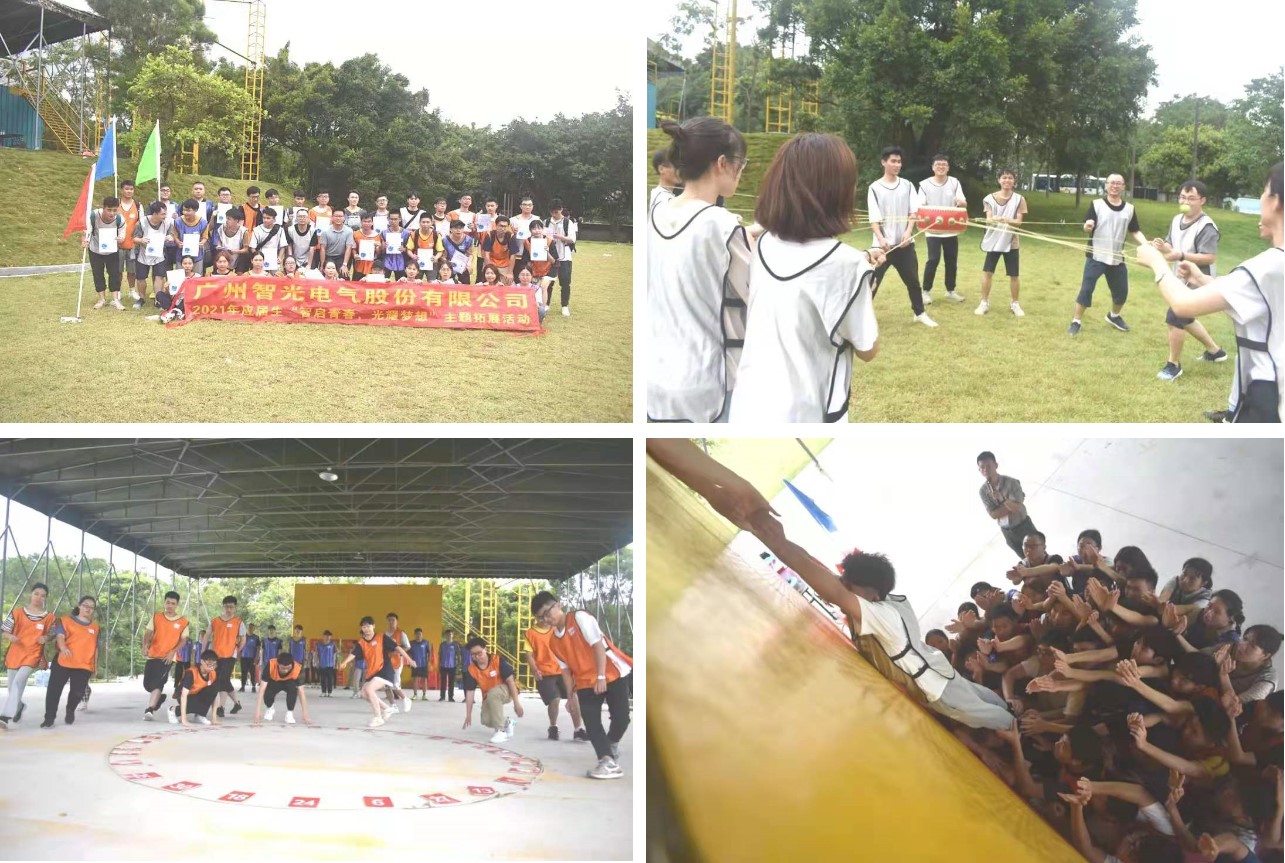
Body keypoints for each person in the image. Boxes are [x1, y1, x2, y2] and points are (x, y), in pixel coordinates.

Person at [751, 516, 1015, 731]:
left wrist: (779, 545)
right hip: (936, 666)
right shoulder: (880, 597)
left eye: (847, 586)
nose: (841, 587)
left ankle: (1016, 727)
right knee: (977, 695)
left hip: (937, 687)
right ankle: (1011, 708)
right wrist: (778, 539)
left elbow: (834, 592)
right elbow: (817, 568)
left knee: (982, 714)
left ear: (871, 594)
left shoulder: (880, 615)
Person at [729, 132, 882, 423]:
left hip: (748, 404)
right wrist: (865, 285)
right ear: (837, 191)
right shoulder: (849, 265)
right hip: (807, 416)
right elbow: (868, 348)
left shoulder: (764, 244)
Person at [1138, 162, 1283, 422]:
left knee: (1177, 316)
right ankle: (1217, 360)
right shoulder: (1269, 268)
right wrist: (1202, 277)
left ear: (1275, 201)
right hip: (1263, 386)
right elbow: (1249, 295)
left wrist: (1156, 262)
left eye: (1264, 191)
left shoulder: (1268, 267)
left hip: (1270, 395)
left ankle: (1181, 363)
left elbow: (1183, 304)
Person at [647, 116, 750, 422]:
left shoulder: (656, 214)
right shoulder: (722, 225)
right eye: (741, 163)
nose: (741, 171)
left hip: (655, 380)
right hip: (707, 385)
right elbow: (759, 296)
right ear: (722, 163)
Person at [531, 591, 632, 779]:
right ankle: (606, 761)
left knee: (622, 718)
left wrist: (601, 676)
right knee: (592, 722)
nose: (546, 619)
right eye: (541, 617)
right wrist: (571, 696)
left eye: (547, 613)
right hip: (585, 681)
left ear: (558, 605)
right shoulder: (554, 642)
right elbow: (566, 671)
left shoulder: (579, 618)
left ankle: (611, 744)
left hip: (612, 672)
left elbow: (598, 646)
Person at [1149, 179, 1226, 381]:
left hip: (1199, 279)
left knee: (1175, 315)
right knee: (1185, 318)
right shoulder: (1177, 219)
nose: (1185, 202)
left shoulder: (1207, 226)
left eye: (1191, 198)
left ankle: (1173, 365)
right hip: (1179, 277)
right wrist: (1161, 246)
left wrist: (1181, 255)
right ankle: (1215, 351)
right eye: (1182, 197)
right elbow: (1170, 245)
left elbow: (1210, 257)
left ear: (1202, 200)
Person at [1069, 173, 1148, 336]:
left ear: (1123, 187)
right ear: (1106, 185)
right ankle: (1076, 321)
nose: (1115, 186)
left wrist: (1146, 244)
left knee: (1122, 291)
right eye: (1112, 183)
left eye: (1118, 183)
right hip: (1096, 256)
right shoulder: (1096, 204)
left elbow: (1135, 230)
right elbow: (1087, 224)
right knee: (1086, 290)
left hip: (1117, 258)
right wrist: (1088, 226)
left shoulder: (1129, 209)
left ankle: (1114, 316)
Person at [868, 146, 936, 328]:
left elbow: (913, 212)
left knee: (913, 281)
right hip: (881, 247)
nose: (897, 165)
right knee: (872, 282)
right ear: (884, 162)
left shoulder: (907, 185)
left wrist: (908, 233)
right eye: (893, 161)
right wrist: (881, 239)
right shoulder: (874, 188)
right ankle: (862, 317)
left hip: (905, 245)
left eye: (899, 162)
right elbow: (874, 219)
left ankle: (919, 313)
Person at [336, 616, 416, 727]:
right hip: (372, 672)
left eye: (368, 626)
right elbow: (353, 654)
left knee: (369, 689)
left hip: (384, 670)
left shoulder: (381, 637)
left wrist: (410, 660)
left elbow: (397, 648)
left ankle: (378, 717)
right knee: (364, 693)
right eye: (364, 627)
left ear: (373, 626)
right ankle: (387, 708)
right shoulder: (361, 643)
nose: (366, 629)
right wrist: (345, 662)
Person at [974, 168, 1027, 317]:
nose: (1007, 180)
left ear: (1014, 181)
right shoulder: (989, 199)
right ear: (999, 180)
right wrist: (994, 219)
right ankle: (984, 302)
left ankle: (1015, 303)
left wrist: (1007, 220)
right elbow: (989, 219)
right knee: (988, 272)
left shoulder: (1019, 199)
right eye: (1004, 177)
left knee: (1014, 275)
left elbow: (1018, 222)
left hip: (1012, 242)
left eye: (1010, 178)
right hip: (994, 241)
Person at [42, 595, 101, 728]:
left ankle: (70, 709)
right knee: (54, 691)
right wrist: (63, 647)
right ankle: (49, 718)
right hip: (63, 661)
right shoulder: (65, 621)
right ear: (79, 606)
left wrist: (94, 667)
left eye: (91, 607)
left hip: (84, 665)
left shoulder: (95, 628)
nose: (88, 609)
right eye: (85, 605)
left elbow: (96, 648)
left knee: (78, 693)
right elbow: (60, 636)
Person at [1, 582, 54, 730]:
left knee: (18, 682)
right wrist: (10, 636)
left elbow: (52, 633)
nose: (39, 597)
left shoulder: (49, 617)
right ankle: (19, 706)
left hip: (33, 654)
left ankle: (5, 716)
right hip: (15, 653)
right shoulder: (17, 612)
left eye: (43, 595)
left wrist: (46, 638)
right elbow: (5, 630)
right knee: (12, 688)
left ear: (45, 598)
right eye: (36, 594)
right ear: (31, 594)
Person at [524, 617, 588, 741]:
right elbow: (529, 655)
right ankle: (553, 727)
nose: (543, 619)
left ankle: (578, 730)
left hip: (563, 669)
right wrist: (535, 669)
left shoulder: (556, 629)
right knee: (555, 700)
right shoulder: (530, 633)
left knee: (573, 696)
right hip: (545, 672)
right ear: (536, 616)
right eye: (540, 616)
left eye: (545, 615)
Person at [919, 153, 968, 304]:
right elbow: (920, 206)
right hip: (932, 230)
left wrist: (961, 202)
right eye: (938, 164)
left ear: (948, 167)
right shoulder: (924, 184)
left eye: (944, 165)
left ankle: (950, 290)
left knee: (951, 261)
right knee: (933, 259)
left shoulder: (954, 182)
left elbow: (963, 202)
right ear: (933, 167)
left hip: (950, 229)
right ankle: (926, 291)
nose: (941, 167)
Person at [462, 637, 524, 744]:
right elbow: (470, 693)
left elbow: (511, 681)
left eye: (479, 653)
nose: (477, 657)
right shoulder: (471, 670)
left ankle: (501, 731)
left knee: (493, 694)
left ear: (485, 649)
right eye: (473, 655)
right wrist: (468, 714)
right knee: (485, 720)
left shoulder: (497, 660)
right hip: (489, 695)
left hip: (507, 691)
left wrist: (516, 703)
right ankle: (508, 723)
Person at [977, 451, 1038, 557]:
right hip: (1007, 532)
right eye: (982, 467)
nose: (985, 470)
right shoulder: (983, 491)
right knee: (1026, 561)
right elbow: (993, 515)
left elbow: (1017, 508)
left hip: (1024, 526)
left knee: (1039, 556)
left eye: (988, 466)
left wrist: (1003, 500)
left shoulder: (1012, 482)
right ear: (979, 470)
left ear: (996, 465)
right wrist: (1012, 504)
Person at [141, 590, 188, 721]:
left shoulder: (183, 621)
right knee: (147, 685)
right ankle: (159, 699)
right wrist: (145, 645)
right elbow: (148, 632)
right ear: (164, 603)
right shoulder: (156, 617)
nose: (170, 606)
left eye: (173, 603)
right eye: (168, 602)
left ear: (177, 605)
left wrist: (173, 652)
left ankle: (150, 709)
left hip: (168, 658)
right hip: (153, 655)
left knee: (158, 683)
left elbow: (183, 640)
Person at [83, 196, 127, 310]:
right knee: (98, 274)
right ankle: (101, 299)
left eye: (115, 210)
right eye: (109, 210)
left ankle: (115, 299)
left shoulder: (120, 219)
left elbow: (122, 235)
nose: (112, 213)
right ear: (103, 208)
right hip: (95, 250)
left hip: (112, 250)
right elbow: (87, 231)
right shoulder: (93, 216)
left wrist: (121, 239)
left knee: (114, 274)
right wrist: (85, 240)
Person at [209, 595, 246, 717]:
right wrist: (204, 651)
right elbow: (207, 635)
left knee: (222, 679)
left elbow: (243, 640)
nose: (229, 609)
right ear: (223, 607)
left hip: (230, 655)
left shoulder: (239, 622)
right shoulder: (215, 621)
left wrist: (237, 651)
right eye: (226, 607)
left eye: (231, 607)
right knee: (224, 680)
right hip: (216, 656)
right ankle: (236, 703)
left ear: (235, 608)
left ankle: (221, 707)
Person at [133, 201, 173, 309]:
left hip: (159, 255)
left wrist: (170, 237)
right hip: (143, 254)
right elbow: (135, 238)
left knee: (159, 276)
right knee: (141, 277)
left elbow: (171, 234)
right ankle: (141, 298)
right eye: (163, 214)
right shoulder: (142, 222)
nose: (165, 216)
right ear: (155, 213)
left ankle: (158, 298)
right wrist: (141, 240)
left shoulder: (168, 223)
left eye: (165, 213)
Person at [255, 651, 312, 725]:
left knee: (293, 689)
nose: (285, 670)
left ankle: (289, 713)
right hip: (274, 681)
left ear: (292, 664)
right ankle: (270, 708)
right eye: (282, 668)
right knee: (267, 694)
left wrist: (305, 716)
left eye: (288, 668)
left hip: (289, 682)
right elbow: (261, 690)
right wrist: (257, 713)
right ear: (278, 664)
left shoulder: (298, 668)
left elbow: (302, 693)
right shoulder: (271, 664)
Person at [171, 649, 220, 726]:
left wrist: (214, 718)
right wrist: (184, 720)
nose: (212, 668)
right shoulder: (191, 673)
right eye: (209, 664)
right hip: (184, 696)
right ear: (202, 662)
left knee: (213, 690)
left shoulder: (213, 673)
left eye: (214, 665)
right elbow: (183, 695)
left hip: (198, 694)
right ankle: (173, 710)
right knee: (195, 703)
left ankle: (200, 715)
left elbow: (215, 695)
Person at [547, 198, 577, 316]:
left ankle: (564, 306)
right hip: (550, 257)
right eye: (552, 212)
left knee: (565, 281)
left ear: (561, 210)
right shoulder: (546, 222)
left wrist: (559, 236)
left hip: (564, 256)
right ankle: (546, 304)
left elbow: (572, 239)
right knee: (548, 281)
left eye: (556, 212)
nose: (554, 215)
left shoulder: (567, 222)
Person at [117, 180, 142, 303]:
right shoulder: (116, 204)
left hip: (133, 244)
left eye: (131, 189)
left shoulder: (137, 205)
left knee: (132, 271)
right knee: (118, 270)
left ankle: (132, 290)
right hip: (118, 245)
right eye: (126, 189)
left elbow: (142, 223)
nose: (129, 191)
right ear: (122, 190)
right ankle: (118, 291)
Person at [171, 199, 209, 275]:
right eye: (184, 210)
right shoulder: (178, 221)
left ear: (195, 210)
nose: (185, 212)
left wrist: (202, 243)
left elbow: (205, 237)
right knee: (180, 277)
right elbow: (175, 236)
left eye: (188, 210)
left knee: (197, 277)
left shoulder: (203, 222)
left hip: (197, 255)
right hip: (181, 254)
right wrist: (178, 242)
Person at [315, 209, 355, 277]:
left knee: (344, 275)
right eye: (336, 216)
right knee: (327, 274)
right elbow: (322, 249)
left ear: (344, 218)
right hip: (328, 256)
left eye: (340, 216)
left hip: (341, 256)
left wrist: (345, 264)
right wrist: (322, 265)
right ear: (332, 217)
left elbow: (348, 248)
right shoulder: (325, 231)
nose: (338, 218)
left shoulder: (349, 231)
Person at [383, 613, 411, 711]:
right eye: (389, 620)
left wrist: (396, 652)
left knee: (395, 685)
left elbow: (407, 646)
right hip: (386, 662)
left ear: (396, 621)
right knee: (386, 685)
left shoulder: (401, 633)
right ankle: (393, 706)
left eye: (393, 620)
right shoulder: (384, 635)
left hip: (397, 662)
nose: (391, 622)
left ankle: (406, 699)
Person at [481, 216, 520, 283]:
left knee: (508, 282)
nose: (503, 228)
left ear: (508, 227)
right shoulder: (490, 235)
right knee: (488, 282)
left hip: (505, 264)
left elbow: (513, 255)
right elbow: (486, 254)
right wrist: (489, 269)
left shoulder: (511, 236)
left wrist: (510, 272)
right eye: (501, 226)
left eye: (505, 226)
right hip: (491, 262)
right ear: (496, 226)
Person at [249, 206, 286, 272]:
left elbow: (282, 246)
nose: (265, 220)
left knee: (276, 276)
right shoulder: (256, 230)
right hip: (260, 258)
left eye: (268, 218)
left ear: (274, 219)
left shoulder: (280, 230)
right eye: (264, 218)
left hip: (274, 258)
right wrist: (257, 259)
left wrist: (280, 257)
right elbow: (252, 247)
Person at [213, 209, 248, 274]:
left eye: (229, 219)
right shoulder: (222, 227)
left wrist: (235, 251)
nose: (226, 220)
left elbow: (246, 249)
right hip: (224, 257)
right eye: (226, 218)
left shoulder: (243, 231)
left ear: (236, 221)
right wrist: (219, 246)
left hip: (238, 258)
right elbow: (219, 241)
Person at [381, 211, 409, 280]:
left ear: (400, 219)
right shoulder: (383, 233)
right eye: (391, 219)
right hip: (387, 260)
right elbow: (381, 250)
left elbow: (410, 249)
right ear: (388, 219)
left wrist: (404, 249)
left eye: (395, 219)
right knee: (384, 282)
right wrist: (383, 247)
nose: (393, 221)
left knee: (401, 283)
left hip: (401, 261)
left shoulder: (406, 233)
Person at [408, 628, 432, 700]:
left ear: (422, 634)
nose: (418, 635)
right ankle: (415, 695)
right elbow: (408, 654)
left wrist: (429, 662)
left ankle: (424, 695)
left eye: (420, 634)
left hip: (424, 664)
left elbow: (429, 653)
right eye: (417, 634)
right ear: (414, 635)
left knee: (424, 680)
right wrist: (409, 662)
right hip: (414, 664)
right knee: (415, 679)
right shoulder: (411, 643)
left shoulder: (426, 642)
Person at [239, 623, 262, 692]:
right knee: (244, 672)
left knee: (252, 673)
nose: (250, 629)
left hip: (252, 658)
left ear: (254, 629)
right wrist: (239, 656)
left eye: (252, 628)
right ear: (247, 628)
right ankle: (242, 687)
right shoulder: (243, 636)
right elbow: (240, 646)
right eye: (249, 627)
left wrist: (257, 658)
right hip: (244, 657)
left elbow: (258, 648)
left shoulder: (256, 637)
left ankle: (253, 687)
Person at [439, 629, 459, 701]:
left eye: (450, 634)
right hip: (443, 666)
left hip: (452, 666)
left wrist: (458, 665)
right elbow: (440, 655)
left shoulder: (455, 645)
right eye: (447, 634)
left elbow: (458, 655)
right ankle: (442, 697)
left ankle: (451, 697)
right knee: (443, 682)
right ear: (445, 636)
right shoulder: (442, 645)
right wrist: (439, 665)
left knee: (451, 683)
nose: (449, 636)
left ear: (452, 635)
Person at [316, 630, 337, 696]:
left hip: (330, 664)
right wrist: (317, 662)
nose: (328, 637)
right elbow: (316, 654)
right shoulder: (319, 644)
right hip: (322, 664)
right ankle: (323, 692)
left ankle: (329, 692)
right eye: (326, 635)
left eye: (329, 636)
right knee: (323, 679)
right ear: (323, 636)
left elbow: (336, 654)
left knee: (330, 679)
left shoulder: (333, 644)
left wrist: (337, 663)